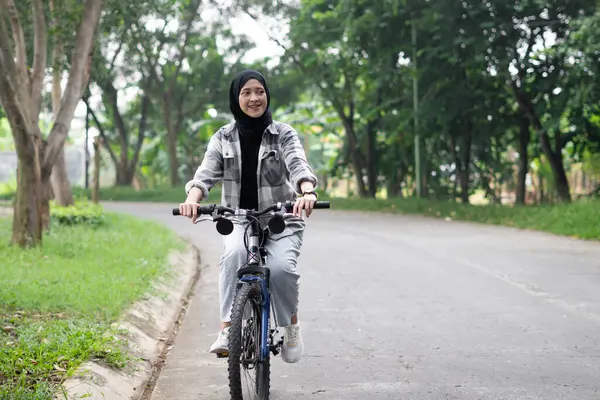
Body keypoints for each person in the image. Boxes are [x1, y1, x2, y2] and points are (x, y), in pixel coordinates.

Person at [178, 69, 319, 364]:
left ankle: (291, 326)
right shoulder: (223, 137)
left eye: (259, 91)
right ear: (236, 97)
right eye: (246, 92)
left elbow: (297, 164)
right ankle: (228, 329)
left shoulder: (284, 134)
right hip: (239, 218)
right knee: (233, 257)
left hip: (281, 217)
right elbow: (205, 174)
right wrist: (192, 199)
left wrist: (307, 192)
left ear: (267, 95)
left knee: (280, 269)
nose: (254, 98)